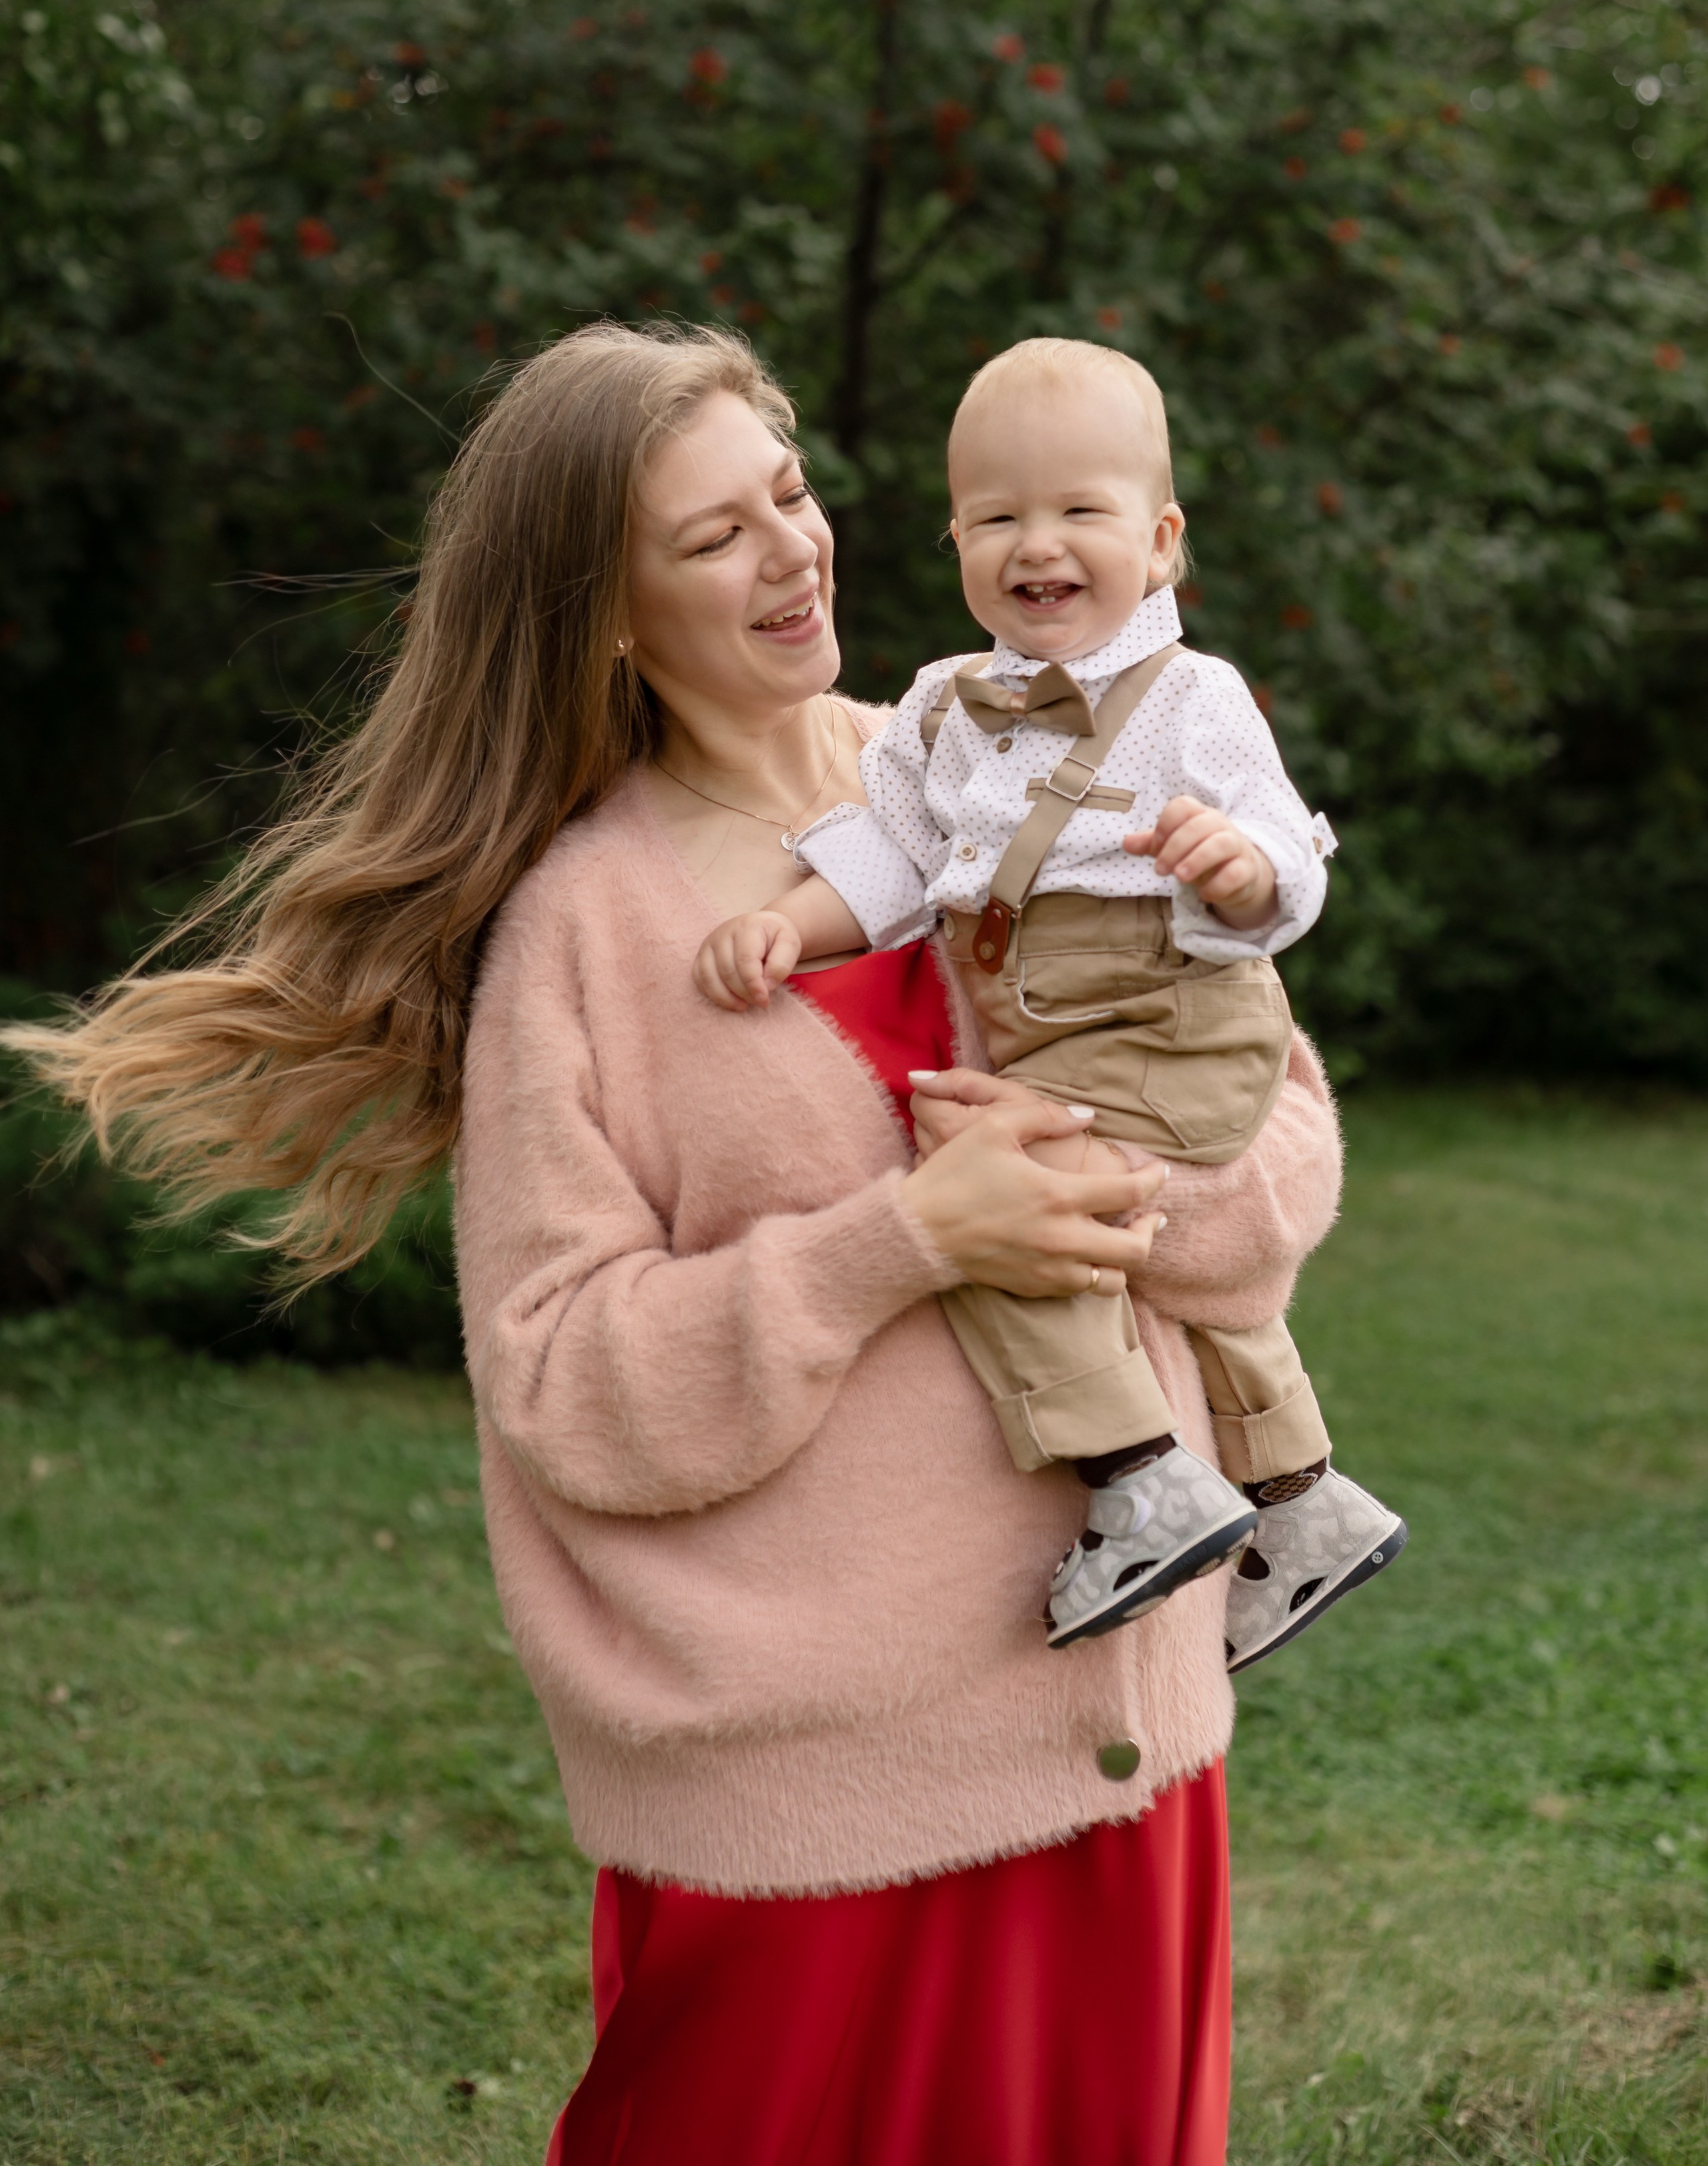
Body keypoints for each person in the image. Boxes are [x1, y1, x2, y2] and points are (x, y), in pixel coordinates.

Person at [9, 322, 1345, 2166]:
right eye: (712, 537)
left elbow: (1278, 1127)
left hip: (1119, 1738)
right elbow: (563, 1370)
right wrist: (901, 1238)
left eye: (787, 495)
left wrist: (1116, 1195)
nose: (791, 551)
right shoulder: (584, 926)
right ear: (607, 614)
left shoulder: (993, 768)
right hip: (816, 1795)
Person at [694, 336, 1406, 1665]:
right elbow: (883, 854)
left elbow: (1288, 859)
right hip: (1060, 1026)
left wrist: (1238, 872)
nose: (1039, 541)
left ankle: (1136, 1475)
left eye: (1079, 509)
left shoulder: (1188, 700)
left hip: (1172, 1012)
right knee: (1125, 1241)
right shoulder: (938, 710)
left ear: (1160, 536)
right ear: (955, 537)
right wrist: (783, 926)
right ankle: (1305, 1502)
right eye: (997, 514)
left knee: (1003, 1197)